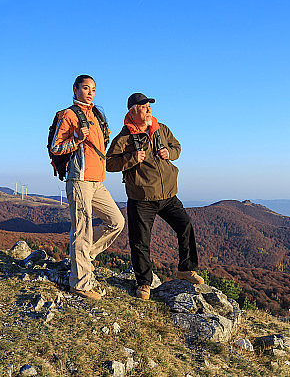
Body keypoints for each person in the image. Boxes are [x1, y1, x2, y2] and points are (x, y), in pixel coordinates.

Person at [106, 92, 204, 300]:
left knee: (185, 226)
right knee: (140, 242)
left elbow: (177, 147)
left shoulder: (162, 129)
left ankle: (186, 269)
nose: (149, 108)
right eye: (143, 106)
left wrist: (170, 152)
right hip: (141, 198)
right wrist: (131, 158)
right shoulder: (124, 137)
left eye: (149, 105)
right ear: (132, 111)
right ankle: (143, 283)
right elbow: (109, 163)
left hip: (168, 194)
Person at [49, 75, 125, 300]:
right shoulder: (69, 115)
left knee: (116, 222)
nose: (90, 92)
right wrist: (76, 140)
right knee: (82, 229)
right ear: (75, 89)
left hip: (97, 180)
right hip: (79, 179)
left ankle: (83, 258)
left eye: (93, 88)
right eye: (85, 88)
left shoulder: (97, 115)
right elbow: (55, 146)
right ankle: (80, 283)